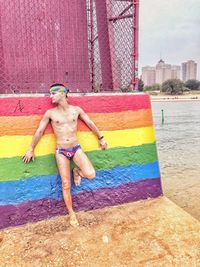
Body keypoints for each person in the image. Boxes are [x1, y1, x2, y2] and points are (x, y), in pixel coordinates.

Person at [23, 83, 107, 227]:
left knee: (91, 174)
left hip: (76, 148)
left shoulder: (76, 110)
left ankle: (77, 172)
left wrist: (101, 138)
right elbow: (39, 131)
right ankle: (72, 214)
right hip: (61, 151)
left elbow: (90, 123)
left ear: (62, 93)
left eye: (53, 93)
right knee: (66, 184)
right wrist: (31, 148)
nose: (50, 97)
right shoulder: (50, 113)